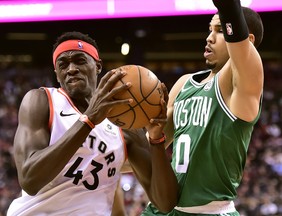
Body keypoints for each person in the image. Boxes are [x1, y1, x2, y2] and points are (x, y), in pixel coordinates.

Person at [7, 31, 179, 216]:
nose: (71, 69)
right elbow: (29, 180)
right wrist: (89, 120)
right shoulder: (41, 101)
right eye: (63, 65)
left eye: (79, 60)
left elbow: (165, 203)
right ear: (57, 74)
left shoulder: (125, 123)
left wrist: (156, 139)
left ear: (97, 66)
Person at [142, 0, 264, 215]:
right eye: (210, 30)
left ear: (248, 41)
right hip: (163, 209)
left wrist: (229, 9)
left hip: (210, 211)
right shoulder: (184, 84)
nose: (209, 37)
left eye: (219, 30)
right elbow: (150, 147)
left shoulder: (243, 86)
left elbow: (240, 43)